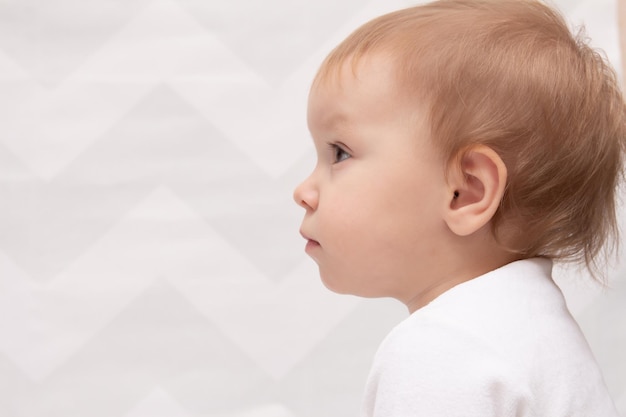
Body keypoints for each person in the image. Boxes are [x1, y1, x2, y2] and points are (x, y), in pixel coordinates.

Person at [292, 0, 625, 415]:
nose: (303, 191)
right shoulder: (536, 331)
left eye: (339, 153)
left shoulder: (441, 350)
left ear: (466, 191)